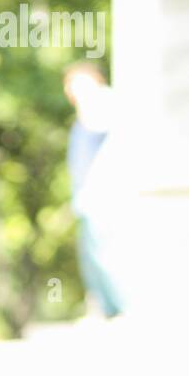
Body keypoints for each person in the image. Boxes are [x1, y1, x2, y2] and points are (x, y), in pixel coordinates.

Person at [63, 62, 128, 319]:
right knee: (93, 257)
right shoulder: (85, 114)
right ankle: (107, 308)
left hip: (105, 196)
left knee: (108, 254)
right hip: (88, 199)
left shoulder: (105, 105)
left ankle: (122, 307)